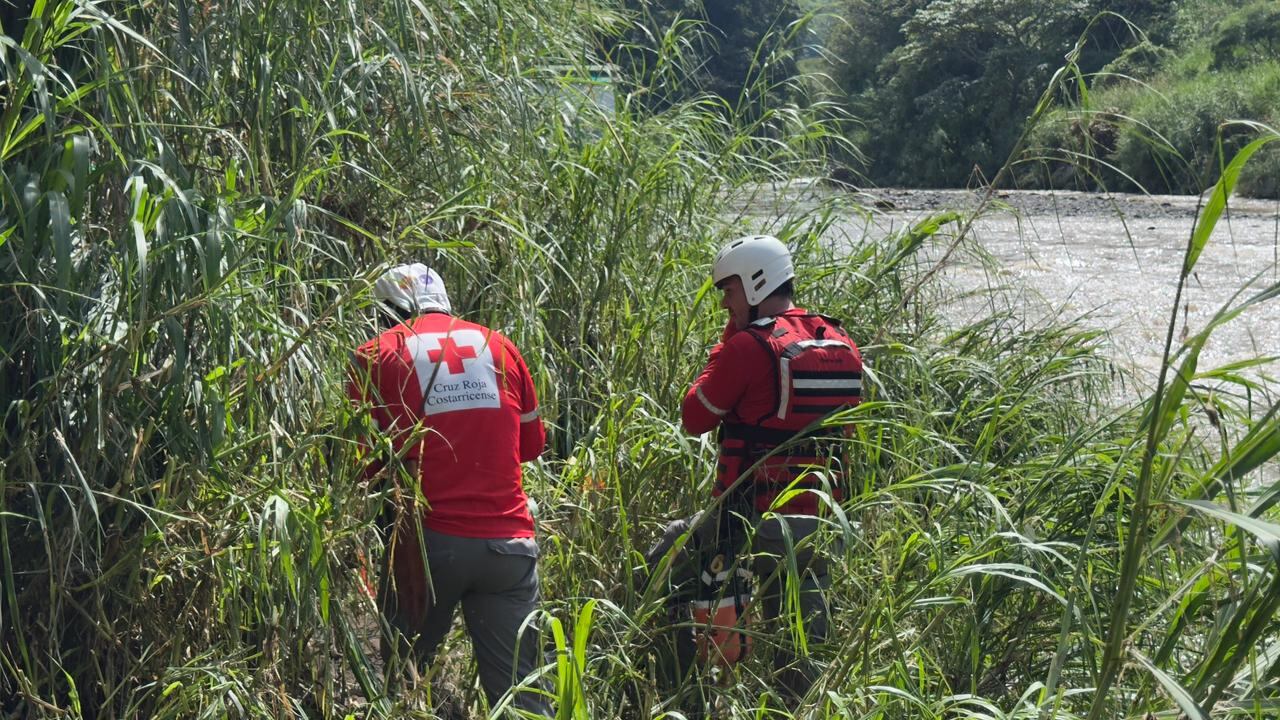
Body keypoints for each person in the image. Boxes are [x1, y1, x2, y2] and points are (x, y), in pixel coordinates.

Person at [643, 235, 864, 708]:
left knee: (668, 558)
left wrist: (722, 351)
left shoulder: (747, 346)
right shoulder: (841, 341)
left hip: (752, 514)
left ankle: (683, 699)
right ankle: (797, 709)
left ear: (755, 282)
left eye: (729, 290)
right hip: (823, 520)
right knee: (800, 638)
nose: (724, 301)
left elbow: (694, 417)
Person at [347, 263, 549, 714]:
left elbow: (359, 465)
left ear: (385, 312)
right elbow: (531, 445)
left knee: (406, 686)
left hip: (429, 546)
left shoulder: (376, 353)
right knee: (521, 699)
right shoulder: (501, 347)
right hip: (511, 546)